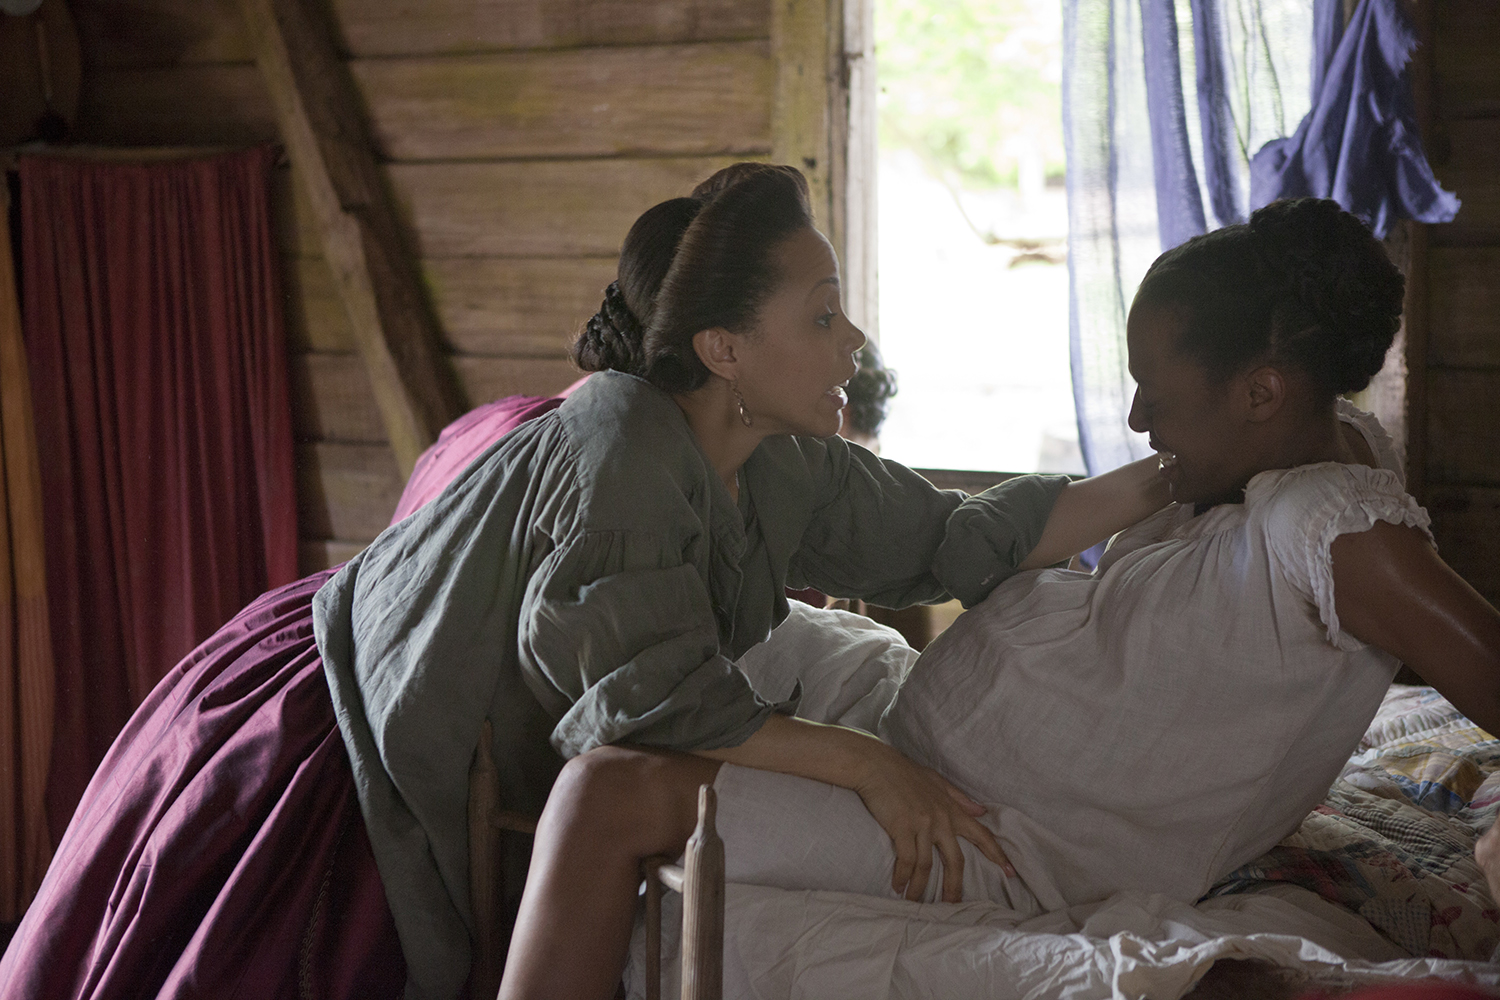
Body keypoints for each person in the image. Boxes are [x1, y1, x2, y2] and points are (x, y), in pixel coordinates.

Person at [0, 162, 1169, 1000]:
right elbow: (652, 706)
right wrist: (868, 761)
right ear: (721, 349)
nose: (852, 339)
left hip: (471, 728)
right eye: (821, 316)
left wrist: (1174, 475)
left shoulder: (786, 459)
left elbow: (954, 537)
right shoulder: (617, 435)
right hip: (336, 720)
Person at [509, 197, 1500, 998]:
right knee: (737, 648)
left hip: (993, 841)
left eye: (1155, 390)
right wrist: (1176, 468)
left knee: (605, 791)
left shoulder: (1337, 530)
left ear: (1263, 392)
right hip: (932, 758)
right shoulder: (1276, 463)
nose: (1136, 416)